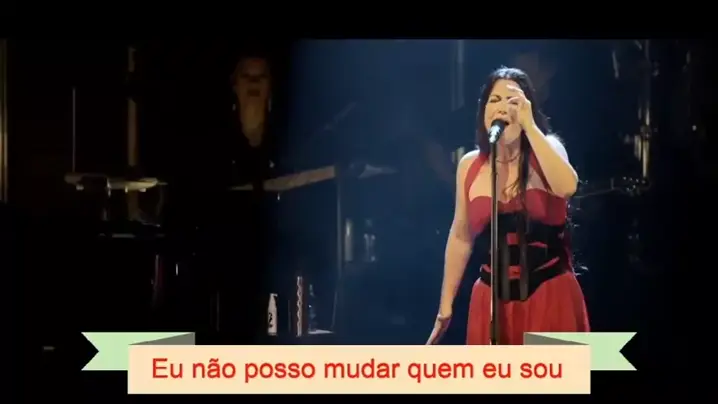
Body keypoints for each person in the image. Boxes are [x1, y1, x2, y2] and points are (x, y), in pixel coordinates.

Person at [427, 67, 589, 345]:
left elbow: (567, 187)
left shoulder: (548, 148)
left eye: (513, 100)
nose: (503, 107)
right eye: (495, 100)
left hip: (549, 295)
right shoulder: (470, 165)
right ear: (484, 112)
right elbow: (461, 236)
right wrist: (445, 307)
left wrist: (529, 126)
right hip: (491, 300)